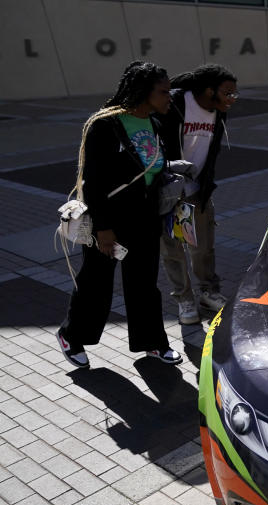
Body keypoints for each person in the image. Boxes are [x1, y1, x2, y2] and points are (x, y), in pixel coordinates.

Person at [57, 61, 183, 368]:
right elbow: (93, 181)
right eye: (164, 91)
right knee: (96, 283)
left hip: (145, 221)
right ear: (143, 91)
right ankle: (71, 336)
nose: (170, 97)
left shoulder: (155, 122)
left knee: (143, 283)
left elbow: (152, 170)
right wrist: (103, 228)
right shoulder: (105, 124)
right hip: (110, 223)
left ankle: (152, 342)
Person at [157, 64, 237, 324]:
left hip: (198, 190)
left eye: (234, 94)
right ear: (208, 90)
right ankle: (184, 299)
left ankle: (207, 292)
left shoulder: (219, 112)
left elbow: (210, 151)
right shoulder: (177, 102)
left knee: (203, 247)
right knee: (173, 249)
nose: (232, 99)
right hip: (169, 190)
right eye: (227, 93)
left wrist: (205, 184)